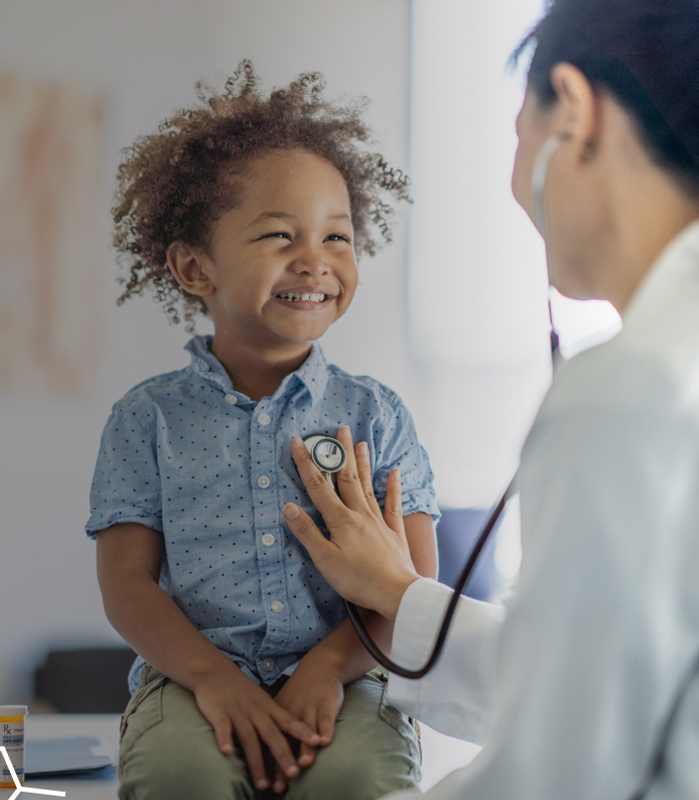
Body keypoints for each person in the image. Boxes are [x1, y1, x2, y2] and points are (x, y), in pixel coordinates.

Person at [280, 0, 699, 797]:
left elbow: (558, 773)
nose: (513, 184)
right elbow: (623, 667)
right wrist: (403, 596)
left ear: (574, 109)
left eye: (517, 137)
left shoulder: (637, 388)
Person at [86, 62, 439, 799]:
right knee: (180, 773)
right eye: (280, 235)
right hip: (194, 675)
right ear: (193, 266)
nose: (315, 261)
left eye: (337, 237)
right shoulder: (145, 420)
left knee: (363, 779)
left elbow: (414, 583)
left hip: (347, 669)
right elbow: (126, 585)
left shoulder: (378, 415)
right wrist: (212, 677)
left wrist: (326, 668)